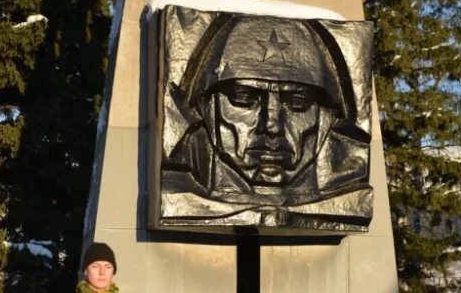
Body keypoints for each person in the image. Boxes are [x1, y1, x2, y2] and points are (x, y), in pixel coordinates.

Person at [159, 13, 373, 230]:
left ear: (328, 117)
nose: (272, 125)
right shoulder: (177, 195)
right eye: (243, 97)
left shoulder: (349, 202)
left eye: (298, 101)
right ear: (204, 105)